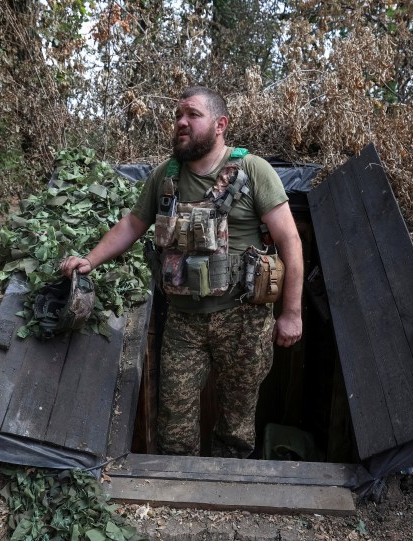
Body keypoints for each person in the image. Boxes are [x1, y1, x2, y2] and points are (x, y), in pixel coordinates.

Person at [60, 86, 303, 458]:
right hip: (183, 322)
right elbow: (132, 224)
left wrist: (291, 313)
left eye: (192, 114)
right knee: (173, 421)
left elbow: (290, 240)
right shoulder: (165, 176)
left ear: (220, 124)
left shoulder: (253, 170)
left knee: (237, 422)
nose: (181, 123)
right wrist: (90, 260)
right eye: (177, 116)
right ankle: (180, 496)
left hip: (244, 320)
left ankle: (228, 492)